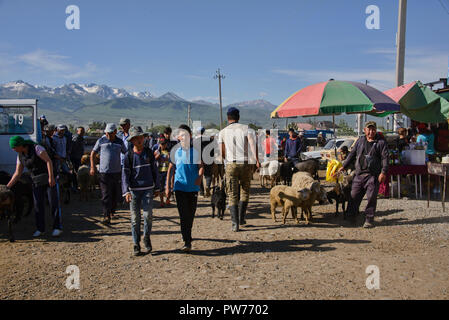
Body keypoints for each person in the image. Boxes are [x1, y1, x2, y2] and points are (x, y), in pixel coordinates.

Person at [7, 136, 62, 237]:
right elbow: (17, 173)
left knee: (53, 203)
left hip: (48, 178)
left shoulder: (37, 148)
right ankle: (40, 229)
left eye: (14, 147)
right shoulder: (20, 156)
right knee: (38, 205)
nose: (13, 149)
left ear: (20, 145)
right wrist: (8, 186)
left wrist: (51, 177)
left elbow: (48, 161)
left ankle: (57, 227)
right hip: (36, 181)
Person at [338, 121, 388, 228]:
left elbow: (385, 158)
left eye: (373, 129)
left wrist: (383, 172)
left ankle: (369, 219)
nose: (371, 132)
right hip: (359, 174)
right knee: (353, 196)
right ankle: (351, 217)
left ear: (376, 130)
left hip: (372, 175)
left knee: (371, 198)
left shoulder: (381, 143)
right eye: (369, 129)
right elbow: (352, 154)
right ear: (365, 130)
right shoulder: (360, 141)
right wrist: (344, 166)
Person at [219, 107, 260, 232]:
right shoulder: (247, 129)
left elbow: (222, 151)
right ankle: (242, 218)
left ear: (228, 118)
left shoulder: (223, 132)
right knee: (245, 191)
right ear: (239, 117)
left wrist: (227, 161)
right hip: (245, 164)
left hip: (231, 164)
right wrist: (257, 160)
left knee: (232, 193)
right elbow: (253, 146)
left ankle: (234, 223)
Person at [122, 127, 160, 256]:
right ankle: (136, 243)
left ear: (144, 138)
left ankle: (146, 237)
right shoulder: (129, 156)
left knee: (148, 215)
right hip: (134, 191)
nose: (139, 140)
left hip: (148, 189)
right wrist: (126, 191)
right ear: (132, 140)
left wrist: (157, 187)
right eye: (136, 138)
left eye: (141, 137)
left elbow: (155, 171)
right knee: (134, 218)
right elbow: (125, 175)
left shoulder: (149, 153)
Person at [166, 125, 203, 252]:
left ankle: (187, 233)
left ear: (190, 136)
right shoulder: (175, 152)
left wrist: (200, 176)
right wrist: (167, 186)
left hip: (192, 188)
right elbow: (170, 169)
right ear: (178, 137)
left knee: (191, 215)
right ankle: (187, 241)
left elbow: (201, 166)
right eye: (181, 135)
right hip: (179, 187)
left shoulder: (195, 152)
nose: (184, 137)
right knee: (183, 215)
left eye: (186, 135)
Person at [90, 123, 127, 224]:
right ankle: (106, 215)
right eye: (107, 133)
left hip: (116, 172)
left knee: (115, 193)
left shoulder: (119, 142)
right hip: (104, 172)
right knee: (105, 194)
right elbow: (93, 153)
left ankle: (112, 211)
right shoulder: (101, 141)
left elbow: (126, 153)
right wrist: (92, 167)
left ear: (115, 132)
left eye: (110, 133)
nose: (108, 135)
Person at [154, 136, 170, 207]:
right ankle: (161, 201)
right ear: (159, 144)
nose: (163, 145)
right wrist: (158, 155)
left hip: (167, 171)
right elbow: (154, 160)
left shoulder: (169, 152)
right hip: (160, 171)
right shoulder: (157, 151)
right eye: (162, 144)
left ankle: (167, 199)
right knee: (161, 187)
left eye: (164, 144)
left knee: (168, 186)